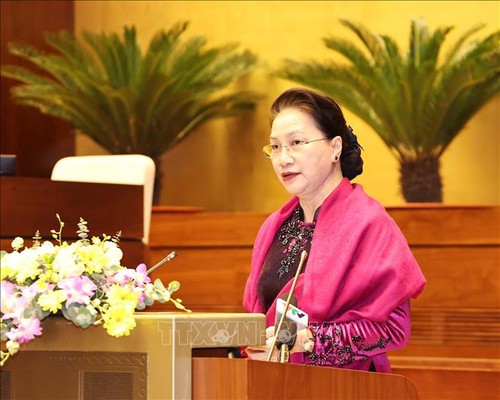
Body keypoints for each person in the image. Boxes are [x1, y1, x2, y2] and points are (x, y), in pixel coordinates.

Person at [243, 87, 426, 372]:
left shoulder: (368, 224)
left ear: (335, 147)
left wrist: (311, 342)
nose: (284, 158)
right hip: (276, 384)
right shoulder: (273, 228)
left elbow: (393, 328)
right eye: (275, 147)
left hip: (348, 387)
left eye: (297, 142)